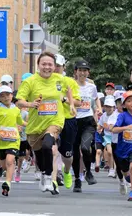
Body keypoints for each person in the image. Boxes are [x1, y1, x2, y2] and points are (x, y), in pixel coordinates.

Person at [16, 51, 75, 195]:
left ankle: (49, 177)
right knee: (40, 155)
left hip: (55, 121)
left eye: (50, 64)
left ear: (54, 66)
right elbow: (18, 101)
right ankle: (43, 172)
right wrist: (30, 104)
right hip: (35, 125)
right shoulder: (30, 81)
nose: (47, 67)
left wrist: (71, 104)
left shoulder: (60, 79)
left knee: (49, 145)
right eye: (44, 64)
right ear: (38, 65)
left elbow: (69, 90)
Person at [0, 85, 26, 196]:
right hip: (0, 143)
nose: (6, 98)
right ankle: (6, 173)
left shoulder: (16, 110)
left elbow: (20, 122)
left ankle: (8, 183)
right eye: (2, 96)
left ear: (12, 95)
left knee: (10, 161)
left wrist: (31, 125)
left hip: (13, 140)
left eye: (8, 95)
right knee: (4, 165)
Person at [54, 53, 81, 190]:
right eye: (53, 65)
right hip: (50, 119)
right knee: (51, 148)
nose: (54, 68)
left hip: (68, 120)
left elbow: (78, 102)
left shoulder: (70, 82)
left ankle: (66, 171)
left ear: (63, 67)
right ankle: (53, 176)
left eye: (57, 66)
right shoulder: (42, 81)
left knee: (67, 154)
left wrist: (64, 99)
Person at [73, 60, 100, 192]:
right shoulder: (71, 86)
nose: (83, 73)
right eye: (80, 70)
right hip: (74, 121)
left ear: (88, 72)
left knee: (85, 147)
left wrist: (98, 110)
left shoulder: (91, 87)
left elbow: (95, 99)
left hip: (88, 121)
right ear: (76, 72)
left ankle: (88, 172)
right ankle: (77, 180)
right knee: (75, 153)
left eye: (85, 70)